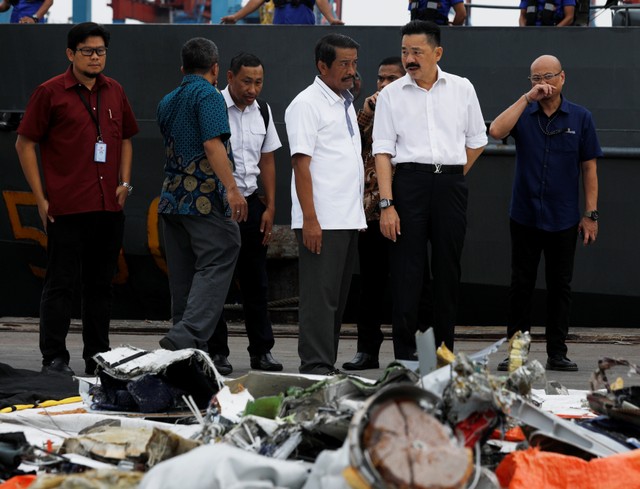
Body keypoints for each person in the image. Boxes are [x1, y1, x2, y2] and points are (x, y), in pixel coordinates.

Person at [15, 22, 138, 376]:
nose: (95, 57)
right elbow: (24, 143)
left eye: (100, 51)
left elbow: (127, 137)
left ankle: (98, 356)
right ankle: (54, 357)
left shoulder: (114, 91)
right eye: (87, 51)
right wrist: (40, 198)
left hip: (107, 206)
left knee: (101, 286)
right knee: (60, 284)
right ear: (71, 54)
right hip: (66, 208)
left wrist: (125, 184)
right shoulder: (49, 92)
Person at [372, 20, 487, 361]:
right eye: (405, 51)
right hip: (407, 184)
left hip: (450, 186)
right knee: (407, 273)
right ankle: (406, 358)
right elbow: (382, 151)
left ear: (437, 53)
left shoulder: (462, 88)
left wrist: (450, 174)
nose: (409, 58)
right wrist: (387, 204)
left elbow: (477, 141)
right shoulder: (392, 95)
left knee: (448, 272)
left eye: (417, 52)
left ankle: (443, 354)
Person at [489, 55, 601, 372]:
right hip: (524, 215)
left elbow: (589, 168)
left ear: (562, 77)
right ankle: (516, 353)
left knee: (559, 286)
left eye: (548, 77)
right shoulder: (524, 113)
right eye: (536, 78)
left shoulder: (581, 118)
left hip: (564, 217)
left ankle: (557, 352)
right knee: (520, 285)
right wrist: (527, 99)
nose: (543, 84)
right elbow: (496, 131)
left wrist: (590, 213)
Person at [156, 37, 247, 354]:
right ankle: (188, 335)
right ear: (216, 68)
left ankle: (183, 351)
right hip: (203, 198)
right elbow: (212, 144)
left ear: (183, 68)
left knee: (182, 277)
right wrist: (232, 189)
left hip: (171, 200)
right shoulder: (209, 95)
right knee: (223, 249)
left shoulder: (167, 100)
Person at [285, 33, 365, 375]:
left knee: (336, 299)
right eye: (343, 64)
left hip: (347, 217)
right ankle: (315, 364)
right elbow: (301, 164)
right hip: (324, 219)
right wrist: (310, 220)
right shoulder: (306, 105)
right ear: (322, 66)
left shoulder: (343, 101)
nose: (351, 70)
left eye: (354, 63)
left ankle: (325, 364)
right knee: (320, 299)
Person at [206, 52, 283, 375]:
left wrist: (271, 207)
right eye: (247, 82)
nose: (253, 89)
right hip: (218, 205)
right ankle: (217, 352)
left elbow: (267, 160)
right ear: (229, 78)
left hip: (252, 204)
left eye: (259, 82)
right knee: (217, 283)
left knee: (256, 282)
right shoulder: (211, 107)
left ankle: (261, 352)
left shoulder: (263, 111)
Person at [343, 57, 406, 371]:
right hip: (372, 213)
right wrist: (368, 109)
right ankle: (367, 350)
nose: (383, 85)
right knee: (370, 284)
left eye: (391, 79)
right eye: (380, 79)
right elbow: (348, 141)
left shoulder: (414, 109)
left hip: (409, 212)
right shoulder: (368, 111)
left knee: (411, 284)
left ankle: (408, 352)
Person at [221, 0, 343, 25]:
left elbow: (321, 1)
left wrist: (331, 19)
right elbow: (256, 1)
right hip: (280, 28)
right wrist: (236, 17)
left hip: (305, 28)